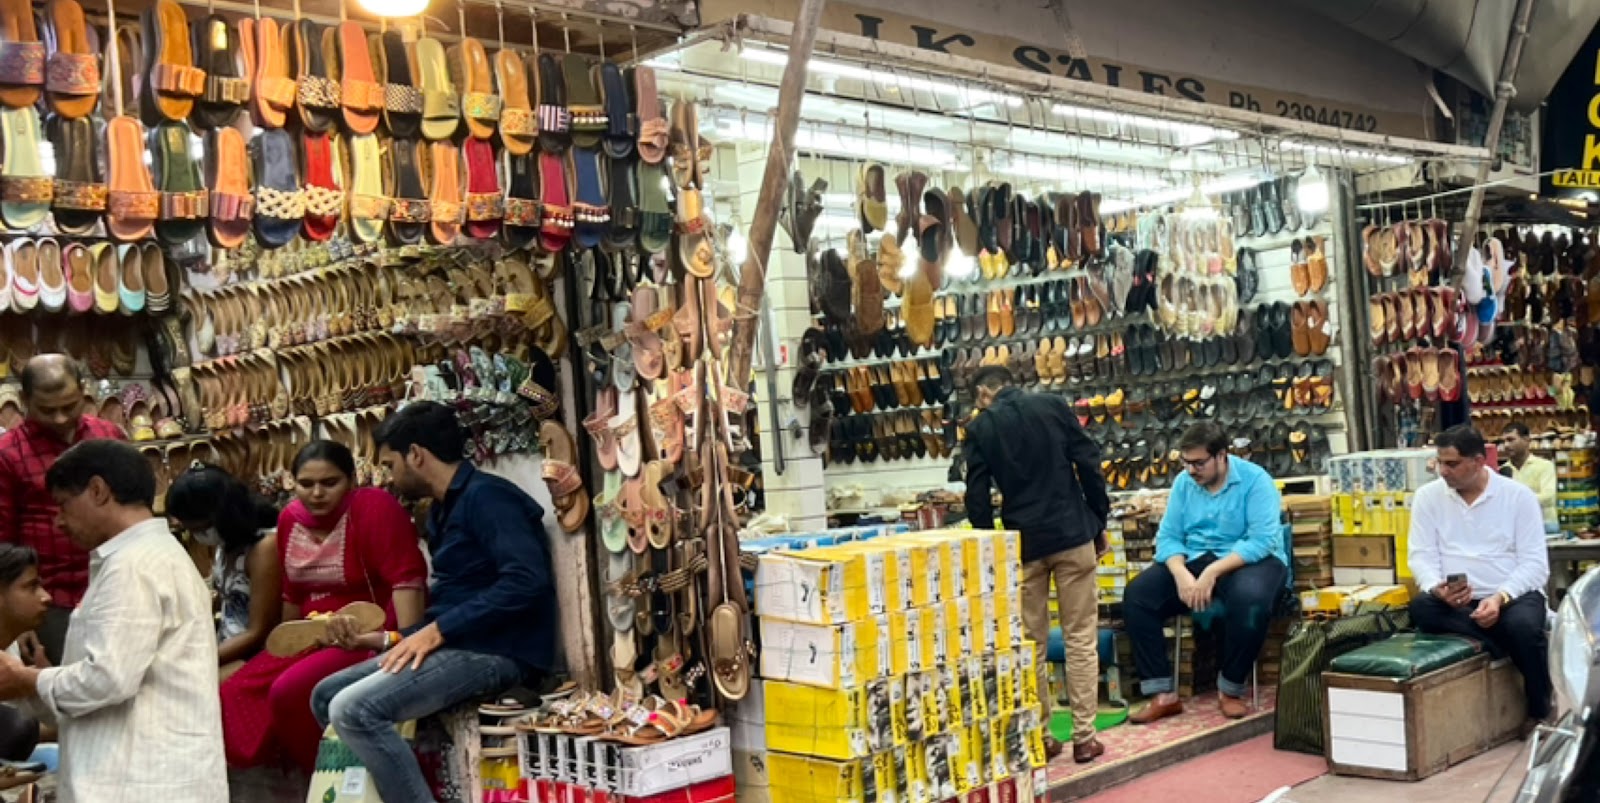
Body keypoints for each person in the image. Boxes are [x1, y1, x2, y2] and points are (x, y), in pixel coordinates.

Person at [312, 402, 557, 802]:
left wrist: (437, 631)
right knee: (325, 695)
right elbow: (454, 604)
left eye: (391, 465)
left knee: (353, 710)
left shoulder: (488, 499)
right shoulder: (445, 510)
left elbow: (526, 581)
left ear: (416, 455)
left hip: (498, 651)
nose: (390, 478)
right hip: (460, 643)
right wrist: (381, 640)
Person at [0, 440, 225, 802]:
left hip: (141, 783)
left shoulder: (135, 566)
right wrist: (36, 683)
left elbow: (107, 680)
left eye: (63, 505)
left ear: (98, 491)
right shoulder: (146, 558)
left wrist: (29, 678)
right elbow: (100, 695)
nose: (58, 521)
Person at [219, 441, 427, 774]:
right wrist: (284, 645)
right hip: (312, 631)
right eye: (306, 484)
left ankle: (328, 773)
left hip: (366, 629)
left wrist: (402, 640)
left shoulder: (374, 507)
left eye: (330, 483)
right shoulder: (289, 519)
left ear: (352, 481)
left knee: (288, 691)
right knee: (234, 691)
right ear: (293, 483)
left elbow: (406, 580)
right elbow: (292, 594)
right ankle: (303, 770)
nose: (317, 493)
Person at [962, 365, 1110, 763]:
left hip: (1022, 544)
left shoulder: (981, 429)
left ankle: (1041, 736)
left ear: (983, 394)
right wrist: (1098, 521)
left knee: (1031, 644)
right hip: (1072, 532)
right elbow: (1089, 463)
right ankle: (1084, 737)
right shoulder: (1052, 406)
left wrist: (990, 546)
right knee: (1080, 637)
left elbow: (976, 496)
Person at [1124, 421, 1287, 723]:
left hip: (1248, 558)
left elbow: (1262, 540)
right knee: (1138, 595)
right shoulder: (1183, 484)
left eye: (1199, 463)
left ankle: (1231, 687)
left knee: (1250, 600)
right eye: (1186, 463)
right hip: (1195, 557)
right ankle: (1163, 693)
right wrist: (1180, 574)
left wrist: (1212, 572)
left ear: (1222, 455)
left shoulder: (1256, 481)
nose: (1191, 470)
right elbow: (1169, 536)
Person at [1408, 425, 1552, 725]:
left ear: (1477, 461)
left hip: (1511, 596)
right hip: (1459, 600)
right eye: (1440, 463)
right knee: (1421, 608)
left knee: (1524, 627)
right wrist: (1437, 588)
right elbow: (1421, 554)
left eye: (1452, 463)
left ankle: (1539, 708)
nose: (1443, 471)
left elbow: (1535, 564)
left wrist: (1500, 597)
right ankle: (1499, 644)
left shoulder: (1518, 497)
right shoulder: (1428, 497)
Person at [0, 356, 124, 666]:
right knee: (66, 693)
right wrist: (14, 620)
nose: (59, 418)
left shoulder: (109, 437)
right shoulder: (8, 454)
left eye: (69, 406)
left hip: (116, 584)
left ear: (84, 392)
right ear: (25, 400)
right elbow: (2, 540)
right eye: (46, 409)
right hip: (51, 599)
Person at [166, 461, 283, 678]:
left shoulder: (264, 548)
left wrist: (200, 661)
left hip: (254, 655)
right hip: (228, 647)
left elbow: (259, 632)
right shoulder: (226, 543)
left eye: (199, 527)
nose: (196, 535)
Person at [1500, 423, 1557, 530]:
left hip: (1544, 526)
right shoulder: (1503, 470)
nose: (1506, 445)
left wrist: (1517, 501)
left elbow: (1549, 497)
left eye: (1511, 440)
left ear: (1526, 440)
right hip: (1515, 528)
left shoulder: (1544, 466)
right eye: (1504, 441)